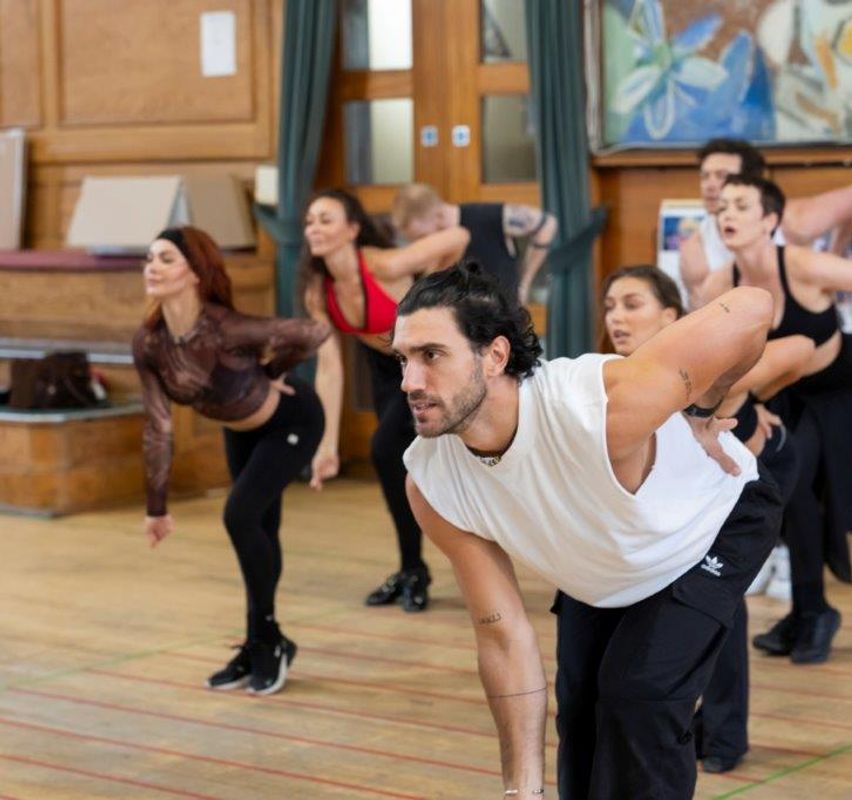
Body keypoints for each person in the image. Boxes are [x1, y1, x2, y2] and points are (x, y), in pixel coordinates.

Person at [397, 263, 783, 799]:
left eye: (431, 356)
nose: (409, 382)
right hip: (605, 559)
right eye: (404, 358)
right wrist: (522, 791)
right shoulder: (432, 482)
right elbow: (503, 637)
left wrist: (703, 405)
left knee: (638, 699)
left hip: (713, 524)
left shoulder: (596, 408)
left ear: (495, 356)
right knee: (580, 712)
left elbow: (753, 307)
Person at [602, 265, 813, 774]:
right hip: (681, 511)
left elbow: (800, 347)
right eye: (609, 306)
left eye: (633, 304)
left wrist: (740, 394)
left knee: (717, 607)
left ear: (672, 317)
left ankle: (724, 734)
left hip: (752, 489)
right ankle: (690, 723)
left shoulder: (697, 369)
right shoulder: (611, 375)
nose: (617, 318)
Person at [697, 174, 852, 666]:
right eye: (722, 206)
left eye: (741, 205)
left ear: (770, 220)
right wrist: (753, 404)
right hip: (784, 395)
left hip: (843, 390)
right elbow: (713, 354)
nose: (727, 214)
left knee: (803, 491)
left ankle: (813, 612)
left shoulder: (801, 264)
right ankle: (807, 611)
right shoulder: (719, 283)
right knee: (787, 494)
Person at [133, 226, 330, 695]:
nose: (152, 267)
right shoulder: (150, 343)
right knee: (260, 530)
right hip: (240, 433)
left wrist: (271, 371)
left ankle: (269, 641)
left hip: (291, 421)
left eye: (165, 259)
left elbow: (314, 331)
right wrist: (156, 506)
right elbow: (158, 425)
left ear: (195, 273)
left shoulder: (226, 327)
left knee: (239, 515)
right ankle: (260, 641)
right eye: (149, 259)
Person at [300, 188, 468, 611]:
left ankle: (426, 566)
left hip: (421, 367)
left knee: (384, 449)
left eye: (325, 219)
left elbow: (458, 237)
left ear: (353, 229)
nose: (313, 228)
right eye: (309, 221)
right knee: (395, 465)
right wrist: (327, 445)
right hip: (380, 370)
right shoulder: (319, 292)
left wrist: (432, 294)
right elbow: (329, 368)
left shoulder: (384, 263)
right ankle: (412, 568)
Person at [678, 137, 852, 309]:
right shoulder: (695, 253)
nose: (709, 185)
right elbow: (704, 322)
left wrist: (836, 251)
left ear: (752, 183)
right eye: (704, 176)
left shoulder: (794, 222)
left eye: (721, 176)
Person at [391, 182, 557, 304]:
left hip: (503, 326)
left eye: (422, 236)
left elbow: (547, 224)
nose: (424, 243)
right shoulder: (437, 250)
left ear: (438, 215)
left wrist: (525, 281)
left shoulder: (488, 217)